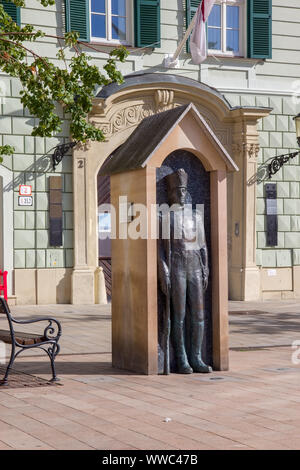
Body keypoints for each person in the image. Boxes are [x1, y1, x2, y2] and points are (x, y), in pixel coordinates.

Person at [158, 168, 212, 374]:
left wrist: (205, 268)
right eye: (177, 190)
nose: (181, 193)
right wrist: (164, 270)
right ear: (170, 192)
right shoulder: (165, 216)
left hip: (195, 266)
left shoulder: (196, 216)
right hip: (176, 265)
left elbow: (203, 245)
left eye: (183, 190)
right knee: (178, 315)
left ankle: (196, 357)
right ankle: (181, 358)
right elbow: (160, 250)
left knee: (198, 315)